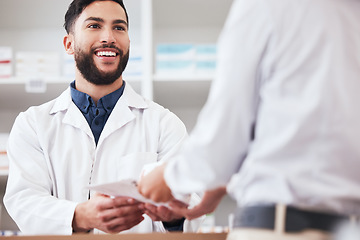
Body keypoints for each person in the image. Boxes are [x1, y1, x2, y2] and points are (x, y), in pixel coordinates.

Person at [138, 0, 360, 239]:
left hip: (281, 228)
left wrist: (168, 177)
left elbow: (224, 137)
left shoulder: (264, 6)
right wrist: (225, 182)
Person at [3, 0, 202, 235]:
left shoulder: (164, 124)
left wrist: (175, 216)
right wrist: (80, 216)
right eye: (94, 26)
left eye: (119, 27)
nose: (109, 37)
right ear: (69, 43)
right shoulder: (33, 124)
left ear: (129, 41)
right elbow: (24, 201)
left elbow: (192, 209)